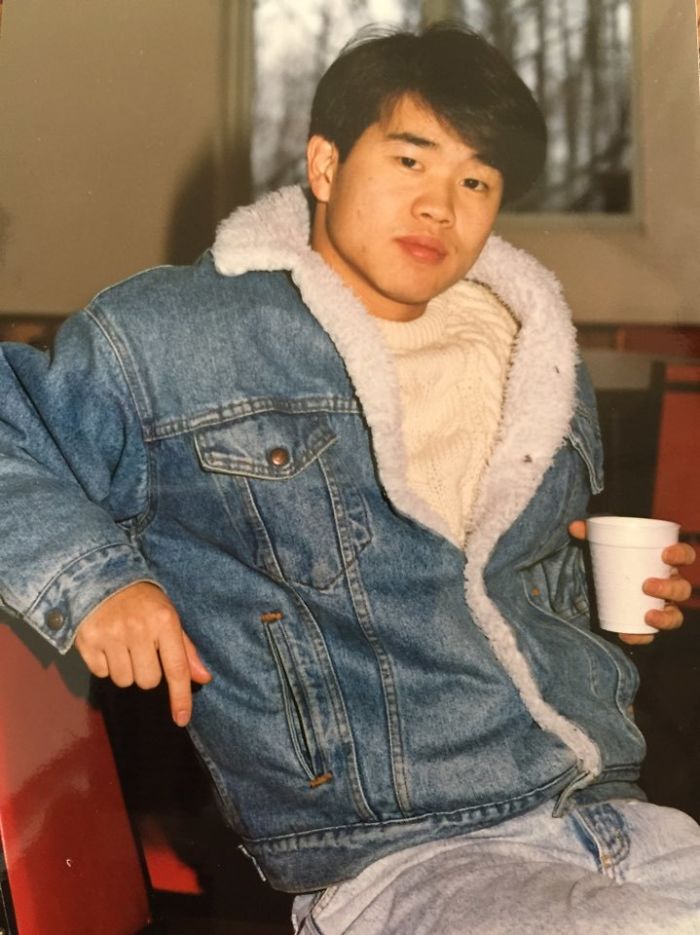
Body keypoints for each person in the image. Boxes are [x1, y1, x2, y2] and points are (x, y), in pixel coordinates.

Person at [0, 22, 698, 934]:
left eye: (476, 182)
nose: (441, 207)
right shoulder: (180, 336)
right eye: (410, 161)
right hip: (402, 856)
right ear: (325, 165)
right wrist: (96, 583)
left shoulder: (534, 354)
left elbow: (490, 595)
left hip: (613, 814)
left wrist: (608, 598)